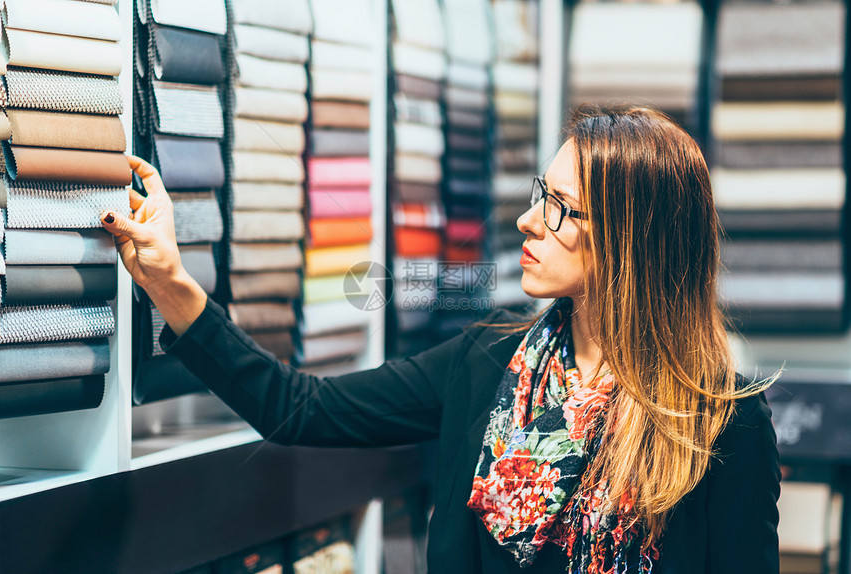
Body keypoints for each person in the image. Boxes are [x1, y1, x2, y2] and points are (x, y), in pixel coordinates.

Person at [102, 108, 780, 573]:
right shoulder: (488, 363)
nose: (526, 221)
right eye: (540, 194)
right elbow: (299, 407)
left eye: (560, 209)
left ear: (634, 239)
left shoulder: (720, 420)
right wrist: (171, 283)